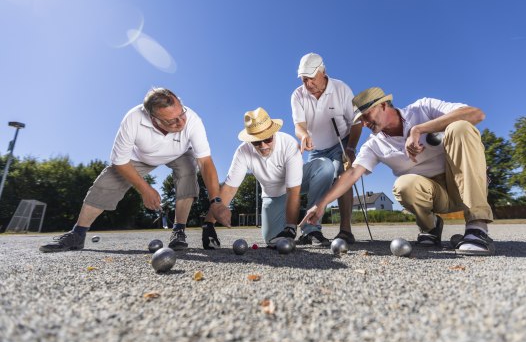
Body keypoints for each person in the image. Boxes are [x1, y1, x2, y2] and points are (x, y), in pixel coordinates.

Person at [302, 87, 496, 255]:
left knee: (460, 127)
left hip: (464, 183)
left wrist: (418, 130)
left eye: (366, 115)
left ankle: (477, 227)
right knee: (402, 186)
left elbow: (476, 114)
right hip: (434, 195)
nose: (364, 124)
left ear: (383, 105)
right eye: (360, 120)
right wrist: (321, 204)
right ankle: (431, 226)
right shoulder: (374, 144)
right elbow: (352, 174)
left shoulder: (423, 108)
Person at [40, 87, 231, 253]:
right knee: (108, 181)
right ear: (153, 118)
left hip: (179, 153)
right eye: (172, 121)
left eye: (181, 114)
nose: (181, 123)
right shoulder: (133, 119)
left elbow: (205, 162)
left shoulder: (192, 120)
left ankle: (178, 231)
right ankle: (77, 234)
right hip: (141, 157)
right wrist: (145, 189)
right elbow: (119, 161)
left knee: (188, 170)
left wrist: (216, 201)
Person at [204, 107, 335, 247]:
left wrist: (290, 227)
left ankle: (311, 231)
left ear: (273, 132)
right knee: (272, 241)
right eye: (256, 142)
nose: (263, 146)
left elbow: (293, 191)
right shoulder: (242, 151)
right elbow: (229, 189)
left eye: (267, 139)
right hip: (272, 194)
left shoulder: (288, 144)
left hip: (297, 183)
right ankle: (293, 220)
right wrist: (208, 224)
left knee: (325, 167)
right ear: (250, 140)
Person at [291, 53, 362, 245]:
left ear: (322, 72)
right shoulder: (298, 95)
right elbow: (299, 125)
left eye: (311, 78)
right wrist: (304, 135)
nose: (308, 84)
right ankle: (311, 231)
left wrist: (351, 148)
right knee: (320, 176)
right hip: (316, 148)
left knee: (343, 173)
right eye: (304, 79)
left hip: (342, 142)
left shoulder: (341, 89)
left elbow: (357, 122)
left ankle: (345, 231)